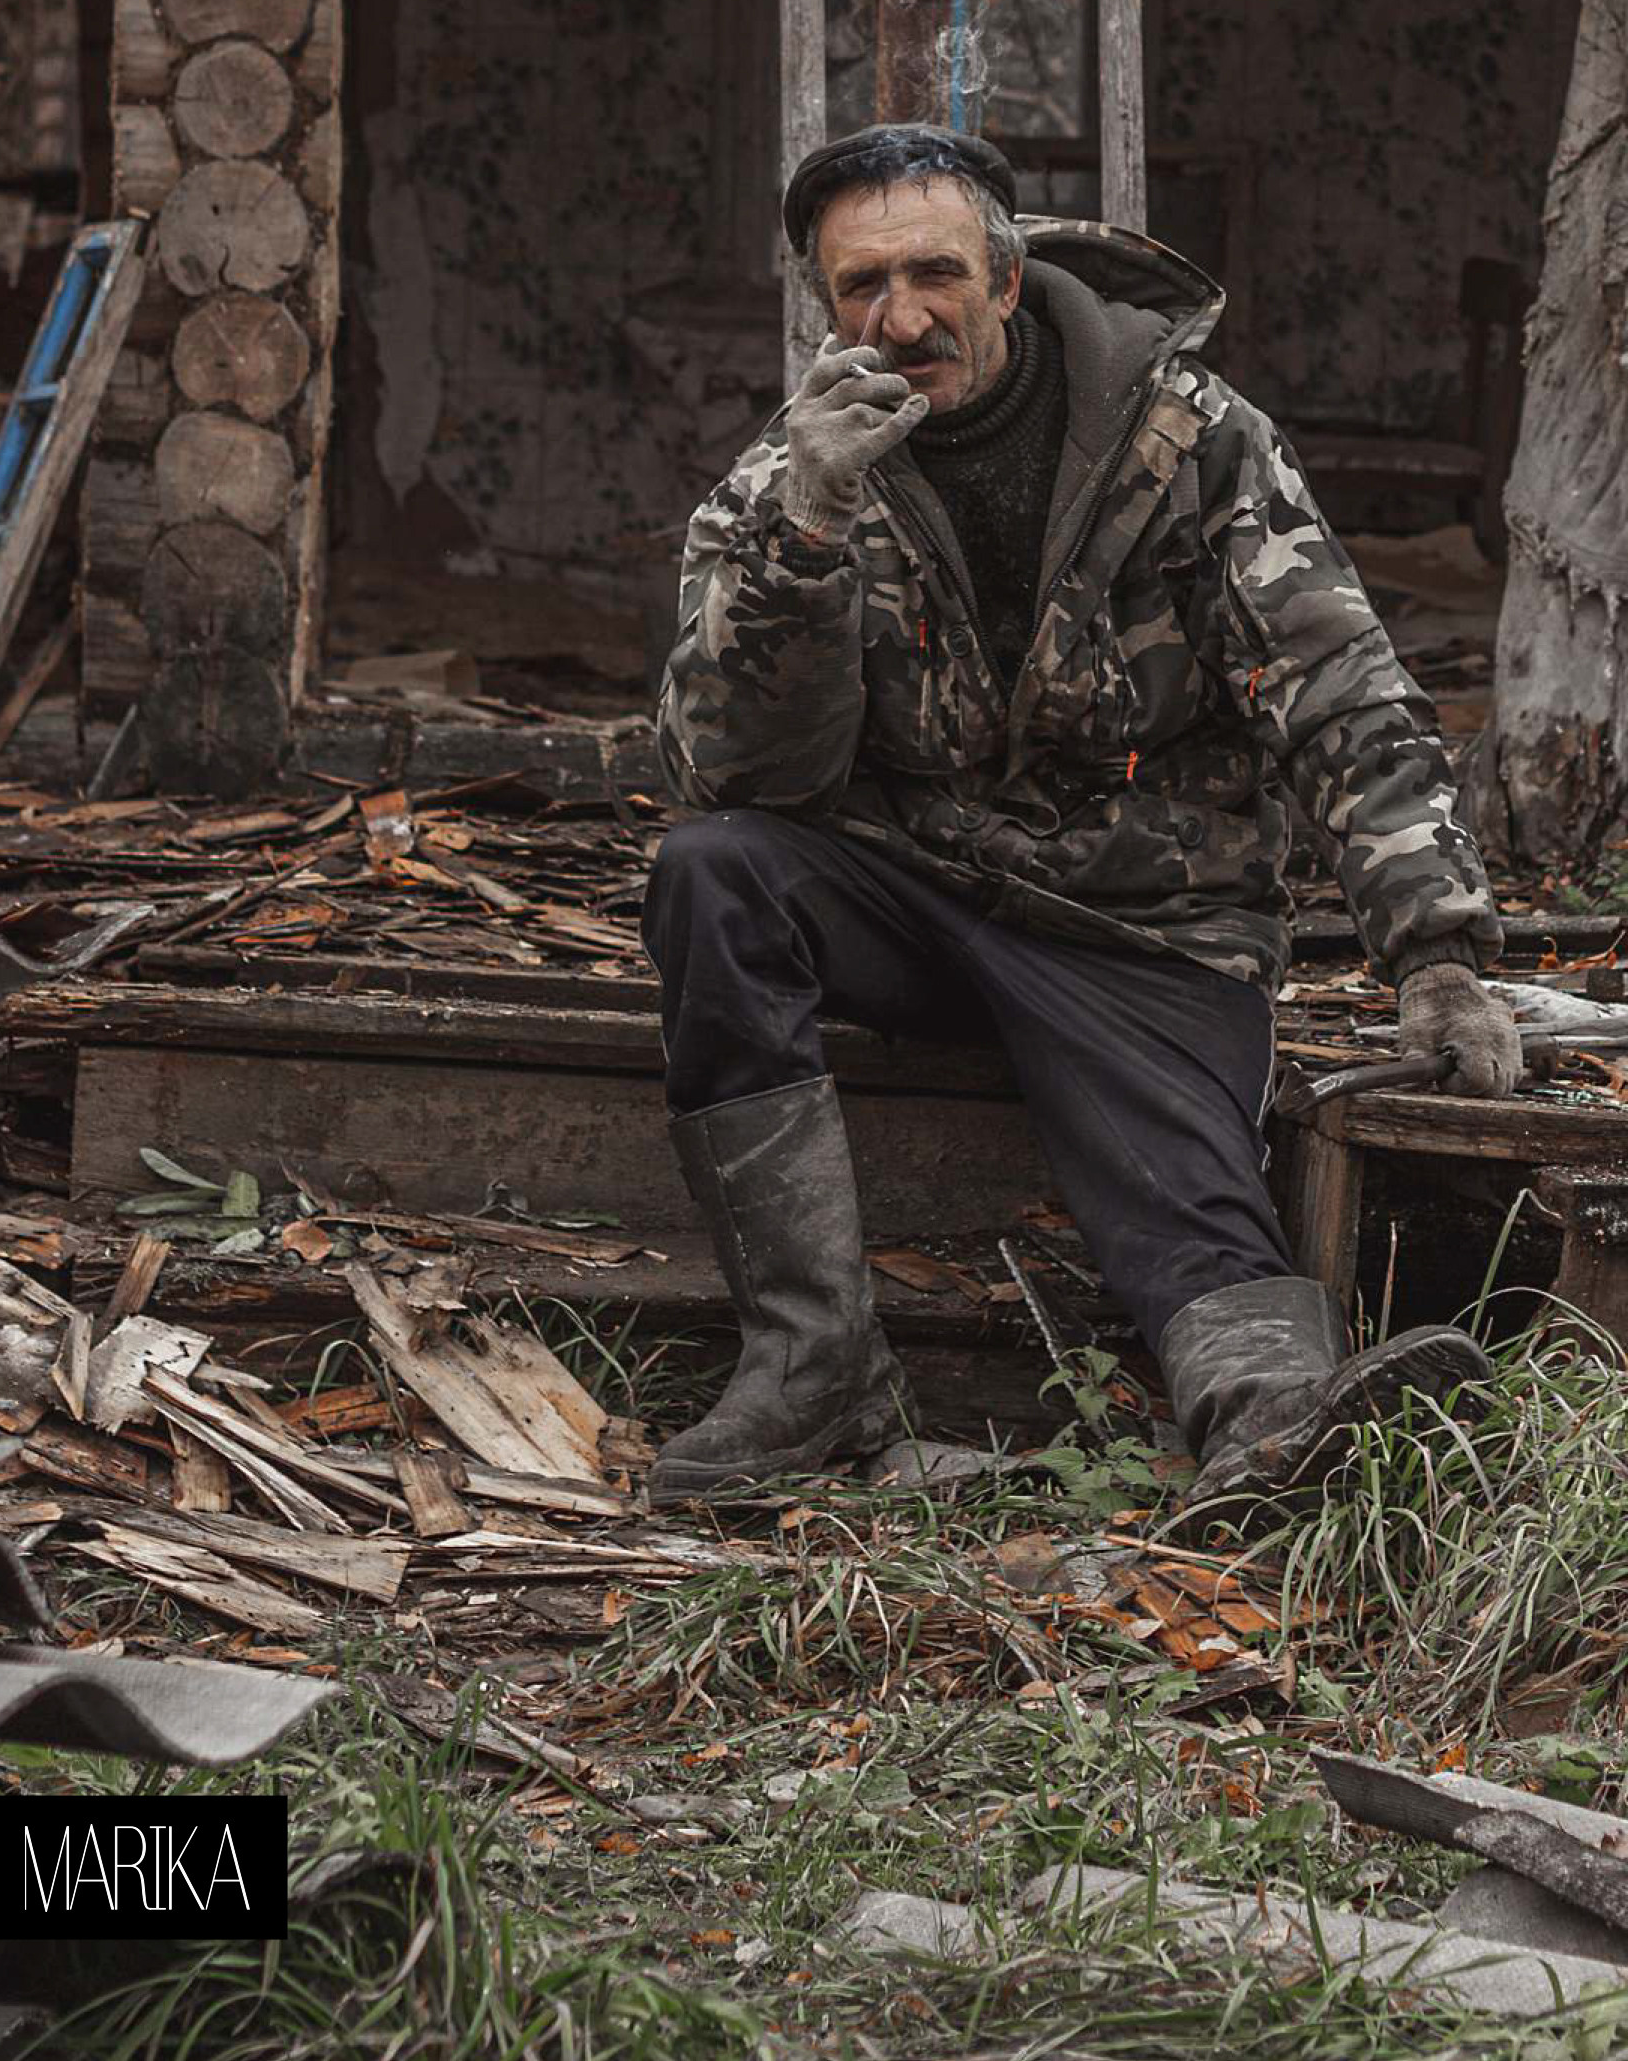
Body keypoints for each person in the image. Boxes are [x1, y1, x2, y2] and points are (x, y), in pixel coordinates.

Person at [643, 121, 1523, 1508]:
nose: (900, 317)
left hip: (1140, 919)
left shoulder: (1190, 440)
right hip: (914, 897)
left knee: (1184, 1201)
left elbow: (1335, 686)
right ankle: (809, 1370)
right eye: (859, 287)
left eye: (933, 274)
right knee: (713, 872)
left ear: (1004, 277)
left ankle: (1278, 1429)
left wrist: (1438, 951)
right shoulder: (789, 477)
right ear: (823, 305)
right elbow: (732, 776)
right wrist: (809, 532)